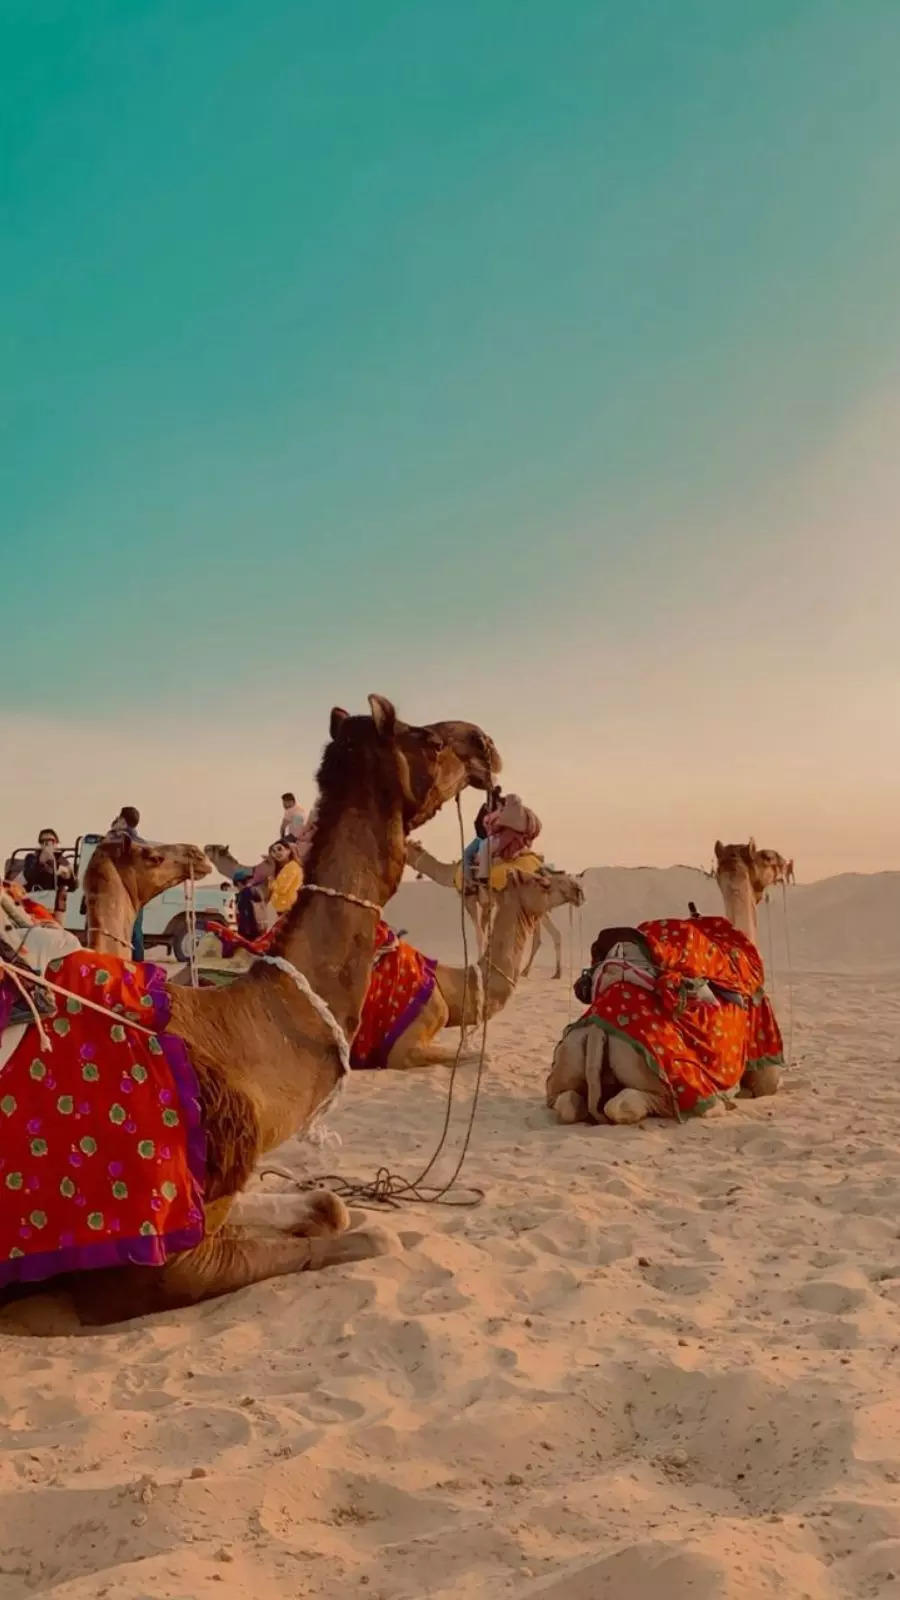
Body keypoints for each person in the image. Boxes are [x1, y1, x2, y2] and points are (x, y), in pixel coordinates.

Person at [474, 793, 541, 883]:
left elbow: (496, 827)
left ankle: (483, 876)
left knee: (486, 846)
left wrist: (491, 823)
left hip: (510, 841)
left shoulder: (510, 817)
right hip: (514, 842)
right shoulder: (523, 816)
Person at [106, 806, 146, 959]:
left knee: (112, 932)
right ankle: (138, 968)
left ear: (122, 820)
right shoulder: (143, 843)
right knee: (135, 932)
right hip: (137, 896)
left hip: (116, 894)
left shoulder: (114, 839)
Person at [22, 829, 78, 901]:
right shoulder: (32, 858)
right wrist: (41, 863)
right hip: (36, 897)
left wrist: (68, 876)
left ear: (56, 843)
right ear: (40, 844)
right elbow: (29, 876)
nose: (47, 844)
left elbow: (73, 887)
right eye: (43, 841)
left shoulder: (63, 861)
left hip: (57, 899)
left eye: (51, 841)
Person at [462, 786, 502, 884]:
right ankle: (469, 881)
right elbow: (477, 822)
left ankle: (475, 880)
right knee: (467, 854)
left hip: (491, 838)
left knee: (476, 854)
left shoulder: (500, 808)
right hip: (480, 837)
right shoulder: (486, 807)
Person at [266, 839, 303, 915]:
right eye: (273, 851)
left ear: (288, 850)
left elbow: (282, 889)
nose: (277, 853)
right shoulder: (282, 868)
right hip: (278, 908)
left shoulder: (292, 866)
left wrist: (272, 881)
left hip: (287, 907)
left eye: (279, 849)